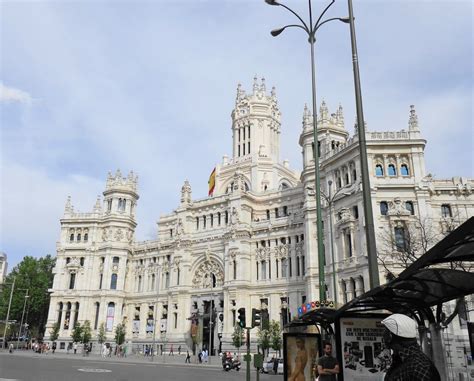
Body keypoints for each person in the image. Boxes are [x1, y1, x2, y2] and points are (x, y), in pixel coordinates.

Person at [381, 314, 441, 381]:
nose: (383, 334)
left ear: (390, 336)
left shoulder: (418, 366)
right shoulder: (402, 360)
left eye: (385, 330)